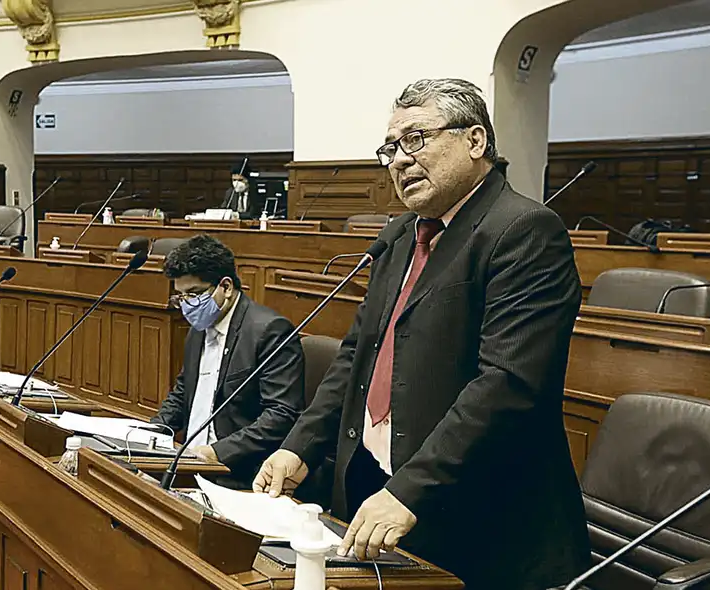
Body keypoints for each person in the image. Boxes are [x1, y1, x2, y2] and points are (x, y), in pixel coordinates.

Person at [253, 79, 590, 590]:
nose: (399, 160)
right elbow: (358, 358)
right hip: (379, 488)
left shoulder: (523, 230)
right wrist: (299, 446)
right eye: (390, 148)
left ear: (475, 140)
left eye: (415, 139)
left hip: (476, 516)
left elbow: (506, 385)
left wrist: (409, 489)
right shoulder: (401, 235)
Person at [151, 235, 305, 489]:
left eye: (194, 294)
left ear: (226, 286)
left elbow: (280, 414)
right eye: (181, 296)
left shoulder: (269, 331)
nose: (187, 305)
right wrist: (152, 432)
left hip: (238, 473)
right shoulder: (199, 329)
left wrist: (217, 452)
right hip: (189, 463)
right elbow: (184, 391)